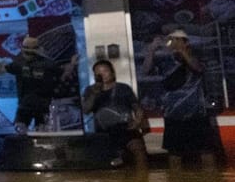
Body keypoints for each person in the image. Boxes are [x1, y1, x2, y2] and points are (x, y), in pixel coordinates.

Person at [142, 29, 219, 166]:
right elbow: (145, 70)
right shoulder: (164, 60)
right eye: (172, 39)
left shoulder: (195, 54)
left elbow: (198, 68)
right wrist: (152, 50)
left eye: (178, 39)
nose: (174, 42)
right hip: (173, 113)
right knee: (174, 152)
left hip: (196, 111)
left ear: (185, 42)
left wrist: (182, 51)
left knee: (205, 150)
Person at [81, 59, 148, 170]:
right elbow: (86, 110)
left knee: (138, 150)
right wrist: (94, 94)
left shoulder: (123, 88)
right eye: (98, 73)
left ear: (112, 72)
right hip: (105, 131)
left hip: (126, 127)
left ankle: (143, 180)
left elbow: (136, 107)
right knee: (110, 162)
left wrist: (138, 121)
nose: (102, 75)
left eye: (105, 71)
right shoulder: (90, 90)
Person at [3, 36, 62, 133]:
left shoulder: (48, 64)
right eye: (26, 50)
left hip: (43, 105)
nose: (28, 53)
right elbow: (3, 69)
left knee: (42, 131)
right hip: (26, 104)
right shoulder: (19, 62)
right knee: (20, 130)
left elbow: (60, 75)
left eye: (31, 50)